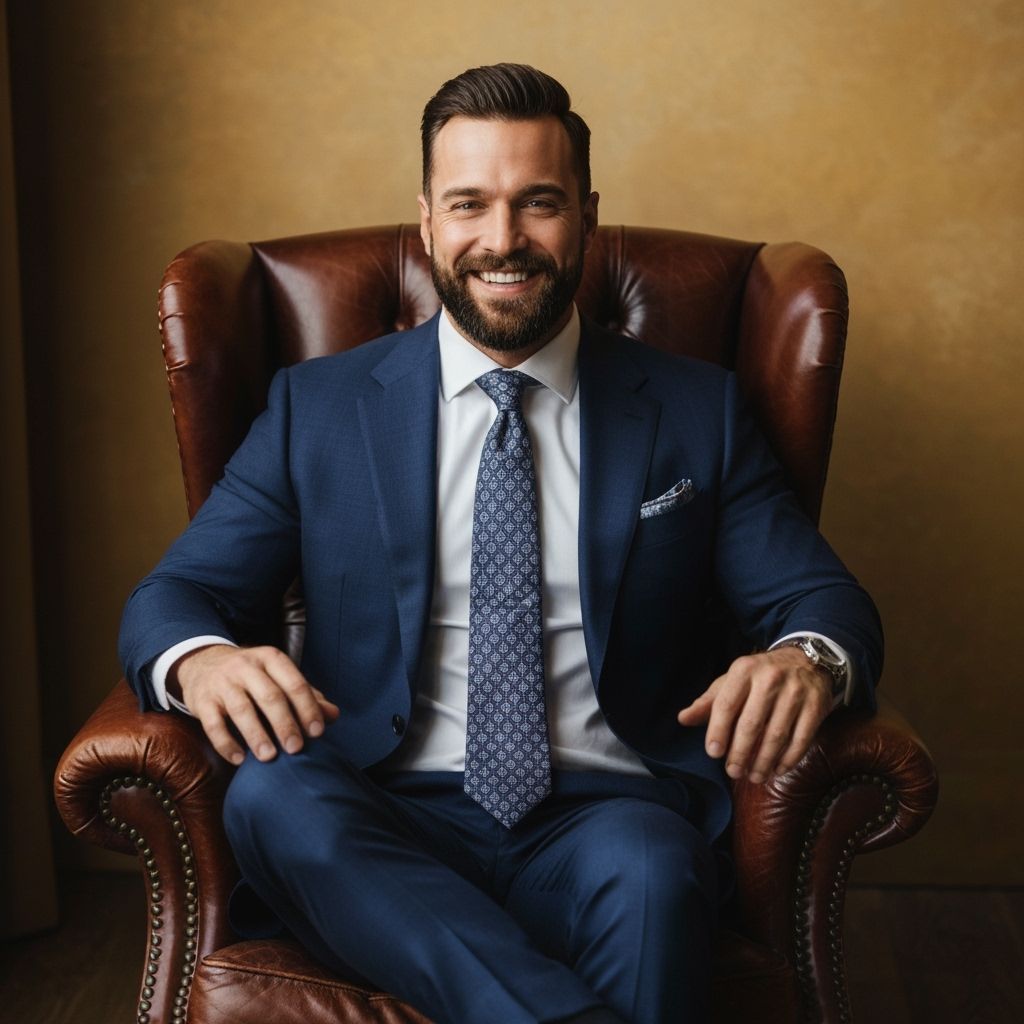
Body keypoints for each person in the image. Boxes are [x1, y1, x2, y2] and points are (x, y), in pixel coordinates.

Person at [119, 63, 882, 1024]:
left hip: (605, 818)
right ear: (428, 222)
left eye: (540, 203)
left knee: (656, 871)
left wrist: (807, 661)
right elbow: (172, 597)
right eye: (469, 204)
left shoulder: (698, 413)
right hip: (379, 815)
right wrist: (203, 662)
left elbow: (824, 601)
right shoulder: (318, 408)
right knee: (274, 798)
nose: (504, 239)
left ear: (587, 217)